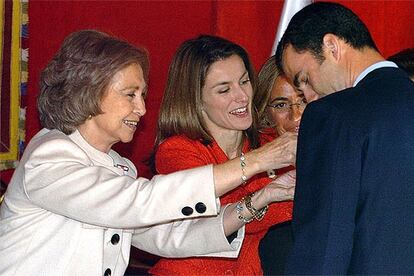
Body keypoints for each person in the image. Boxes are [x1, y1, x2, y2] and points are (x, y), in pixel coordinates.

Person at [0, 30, 296, 276]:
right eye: (130, 94)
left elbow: (170, 237)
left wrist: (259, 199)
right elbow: (141, 201)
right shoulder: (49, 157)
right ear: (88, 91)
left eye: (142, 94)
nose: (141, 109)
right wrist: (258, 161)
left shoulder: (119, 168)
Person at [275, 2, 414, 274]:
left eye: (304, 79)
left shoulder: (333, 115)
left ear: (332, 46)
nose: (309, 95)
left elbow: (323, 248)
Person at [149, 35, 297, 275]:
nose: (242, 96)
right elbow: (223, 213)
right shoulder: (177, 151)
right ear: (196, 99)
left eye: (244, 81)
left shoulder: (269, 143)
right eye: (224, 89)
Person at [255, 55, 308, 275]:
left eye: (303, 100)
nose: (295, 116)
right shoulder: (253, 166)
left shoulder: (346, 153)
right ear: (265, 113)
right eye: (281, 105)